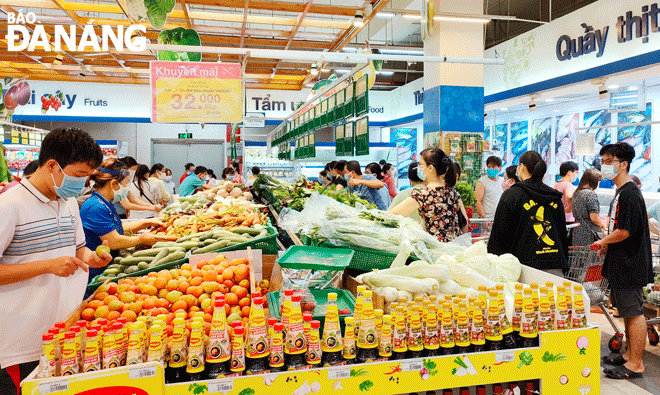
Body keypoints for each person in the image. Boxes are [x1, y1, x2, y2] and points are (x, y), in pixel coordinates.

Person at [0, 128, 111, 394]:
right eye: (78, 175)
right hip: (21, 345)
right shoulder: (10, 205)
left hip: (64, 334)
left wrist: (94, 257)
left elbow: (78, 250)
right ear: (52, 165)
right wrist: (48, 266)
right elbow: (52, 263)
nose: (82, 184)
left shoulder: (68, 202)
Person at [595, 143, 654, 380]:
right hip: (621, 261)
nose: (605, 165)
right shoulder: (621, 192)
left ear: (623, 164)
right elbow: (617, 227)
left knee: (634, 313)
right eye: (604, 160)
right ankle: (629, 355)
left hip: (631, 263)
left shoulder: (630, 193)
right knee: (626, 312)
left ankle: (636, 364)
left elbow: (625, 231)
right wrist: (607, 245)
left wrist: (602, 242)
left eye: (609, 160)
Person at [80, 158, 163, 283]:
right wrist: (141, 239)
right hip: (96, 271)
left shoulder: (105, 203)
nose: (127, 188)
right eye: (126, 184)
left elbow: (116, 229)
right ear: (113, 184)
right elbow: (113, 241)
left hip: (106, 265)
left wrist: (146, 223)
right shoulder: (95, 207)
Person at [487, 151, 568, 275]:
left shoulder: (511, 195)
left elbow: (500, 233)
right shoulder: (555, 197)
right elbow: (562, 233)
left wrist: (494, 261)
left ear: (522, 167)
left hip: (522, 267)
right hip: (555, 264)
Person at [389, 148, 467, 242]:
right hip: (454, 248)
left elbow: (391, 216)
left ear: (430, 168)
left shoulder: (424, 195)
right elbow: (464, 222)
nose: (419, 168)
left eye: (421, 164)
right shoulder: (453, 192)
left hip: (435, 251)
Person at [571, 169, 606, 246]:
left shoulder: (576, 193)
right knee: (591, 257)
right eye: (598, 181)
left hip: (577, 232)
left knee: (580, 256)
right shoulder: (590, 194)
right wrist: (603, 225)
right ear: (594, 181)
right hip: (589, 234)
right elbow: (594, 217)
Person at [388, 162, 425, 226]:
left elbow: (388, 217)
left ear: (409, 178)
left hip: (408, 233)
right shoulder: (435, 193)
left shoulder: (403, 194)